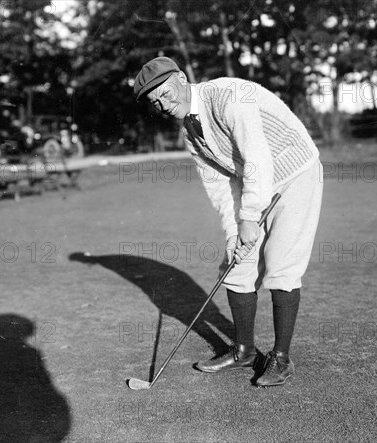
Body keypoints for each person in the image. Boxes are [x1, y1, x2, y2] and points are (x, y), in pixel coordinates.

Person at [133, 57, 323, 387]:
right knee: (236, 265)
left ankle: (281, 358)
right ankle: (245, 350)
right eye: (156, 102)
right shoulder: (189, 131)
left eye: (165, 93)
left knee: (280, 263)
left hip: (294, 172)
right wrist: (236, 229)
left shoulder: (228, 96)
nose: (164, 104)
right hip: (255, 180)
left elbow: (258, 159)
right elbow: (219, 184)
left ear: (181, 77)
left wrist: (250, 217)